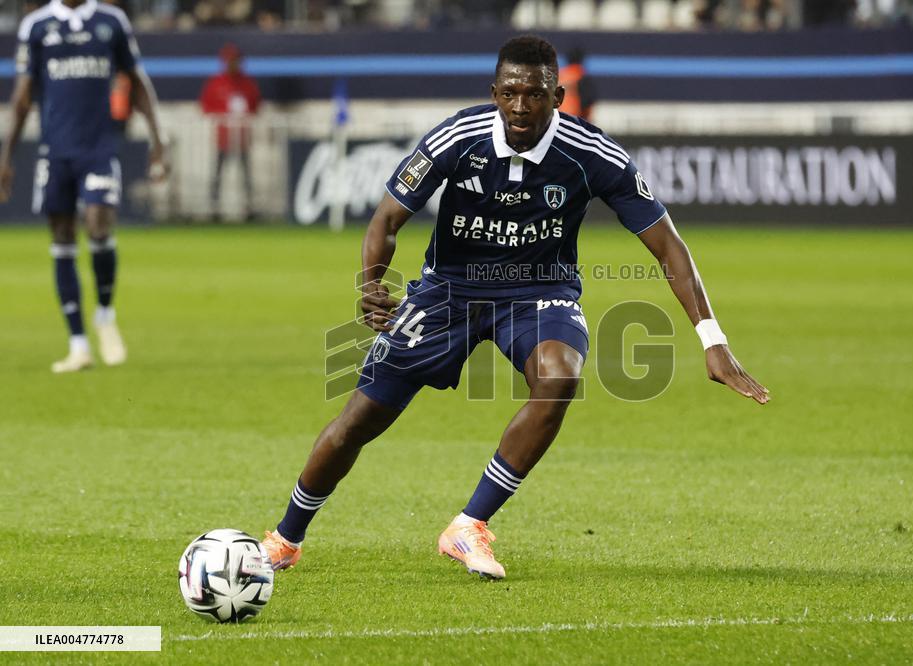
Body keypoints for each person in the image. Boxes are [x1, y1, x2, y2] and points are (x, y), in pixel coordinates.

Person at [262, 35, 769, 580]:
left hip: (537, 292)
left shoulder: (593, 154)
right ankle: (285, 538)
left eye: (534, 93)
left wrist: (712, 341)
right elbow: (386, 221)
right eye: (509, 93)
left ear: (558, 95)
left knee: (559, 377)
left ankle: (468, 526)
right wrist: (370, 285)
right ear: (494, 93)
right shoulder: (458, 136)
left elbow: (669, 245)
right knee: (358, 421)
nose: (520, 107)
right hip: (447, 290)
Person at [0, 0, 167, 373]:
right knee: (61, 239)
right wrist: (6, 158)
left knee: (98, 222)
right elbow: (23, 96)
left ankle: (104, 314)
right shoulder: (37, 27)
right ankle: (78, 345)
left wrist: (158, 139)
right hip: (55, 153)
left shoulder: (111, 21)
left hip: (99, 150)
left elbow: (137, 81)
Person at [199, 43, 260, 221]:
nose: (233, 64)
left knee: (246, 175)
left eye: (235, 61)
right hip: (223, 138)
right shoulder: (216, 82)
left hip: (242, 138)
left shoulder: (248, 83)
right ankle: (214, 208)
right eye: (230, 61)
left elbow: (256, 106)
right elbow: (205, 106)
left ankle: (249, 208)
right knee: (217, 174)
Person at [558, 48, 597, 122]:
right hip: (575, 120)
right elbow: (588, 101)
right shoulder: (581, 76)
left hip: (557, 120)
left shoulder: (559, 76)